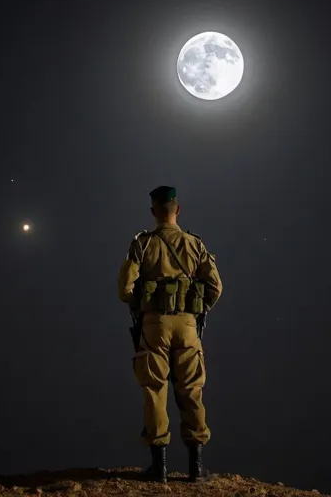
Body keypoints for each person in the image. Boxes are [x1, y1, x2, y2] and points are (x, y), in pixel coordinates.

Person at [117, 185, 223, 483]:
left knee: (154, 390)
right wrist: (197, 311)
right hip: (188, 325)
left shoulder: (142, 243)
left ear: (154, 211)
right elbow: (215, 288)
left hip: (154, 324)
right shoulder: (195, 244)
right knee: (191, 389)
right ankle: (196, 468)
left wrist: (143, 305)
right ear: (178, 210)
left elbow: (124, 289)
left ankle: (159, 467)